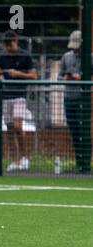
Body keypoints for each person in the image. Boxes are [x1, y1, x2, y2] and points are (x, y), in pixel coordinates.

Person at [0, 30, 37, 172]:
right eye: (6, 45)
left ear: (15, 42)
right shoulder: (3, 56)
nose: (8, 48)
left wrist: (18, 74)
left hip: (20, 95)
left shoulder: (25, 56)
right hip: (6, 96)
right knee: (10, 129)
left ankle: (25, 157)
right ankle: (14, 160)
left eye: (10, 44)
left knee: (18, 126)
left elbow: (33, 76)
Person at [58, 30, 93, 173]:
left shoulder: (90, 58)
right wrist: (66, 78)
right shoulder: (66, 57)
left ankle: (86, 162)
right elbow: (59, 77)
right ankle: (79, 162)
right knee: (74, 131)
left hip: (83, 98)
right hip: (69, 98)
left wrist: (83, 79)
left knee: (84, 131)